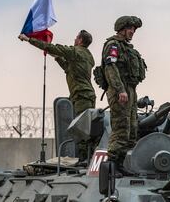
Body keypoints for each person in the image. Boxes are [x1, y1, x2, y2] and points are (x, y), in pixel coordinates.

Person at [18, 30, 96, 162]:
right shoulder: (86, 55)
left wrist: (28, 39)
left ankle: (84, 160)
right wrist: (56, 56)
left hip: (82, 96)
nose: (74, 39)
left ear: (80, 40)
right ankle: (85, 159)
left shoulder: (76, 51)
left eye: (76, 37)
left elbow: (54, 48)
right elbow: (68, 68)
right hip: (84, 95)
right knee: (84, 129)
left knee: (82, 131)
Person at [101, 16, 146, 174]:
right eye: (130, 29)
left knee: (132, 130)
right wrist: (120, 90)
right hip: (119, 90)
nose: (132, 32)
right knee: (121, 128)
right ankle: (111, 165)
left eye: (134, 29)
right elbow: (110, 68)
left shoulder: (128, 48)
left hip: (130, 90)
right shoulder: (113, 45)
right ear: (121, 29)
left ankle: (123, 165)